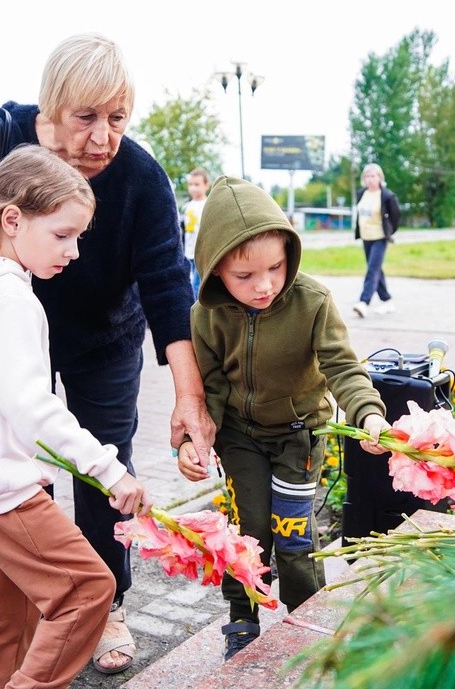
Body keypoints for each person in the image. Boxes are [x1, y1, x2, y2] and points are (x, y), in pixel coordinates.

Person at [0, 31, 214, 674]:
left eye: (117, 119)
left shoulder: (140, 175)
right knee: (6, 465)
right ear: (50, 106)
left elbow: (169, 285)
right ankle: (24, 606)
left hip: (103, 337)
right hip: (4, 326)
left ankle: (105, 601)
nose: (101, 138)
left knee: (102, 462)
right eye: (86, 117)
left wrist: (188, 396)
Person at [0, 144, 152, 689]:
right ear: (12, 220)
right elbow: (33, 408)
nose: (75, 252)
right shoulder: (9, 299)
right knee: (88, 590)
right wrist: (109, 469)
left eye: (79, 237)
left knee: (4, 627)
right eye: (62, 235)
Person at [175, 176, 389, 661]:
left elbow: (342, 367)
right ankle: (242, 620)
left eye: (275, 267)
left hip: (298, 437)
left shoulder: (312, 302)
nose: (265, 285)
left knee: (293, 533)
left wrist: (370, 414)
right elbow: (205, 392)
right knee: (245, 533)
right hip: (240, 439)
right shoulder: (205, 316)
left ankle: (305, 614)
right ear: (214, 272)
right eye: (244, 276)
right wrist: (190, 444)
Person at [352, 162, 400, 318]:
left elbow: (396, 217)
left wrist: (389, 232)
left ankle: (363, 302)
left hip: (380, 238)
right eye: (367, 176)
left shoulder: (387, 196)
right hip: (366, 238)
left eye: (373, 176)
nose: (370, 179)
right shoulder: (362, 194)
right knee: (376, 269)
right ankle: (387, 300)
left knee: (372, 269)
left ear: (380, 177)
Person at [183, 167, 210, 296]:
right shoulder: (188, 205)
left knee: (197, 284)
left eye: (197, 184)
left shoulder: (208, 204)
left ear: (206, 185)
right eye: (190, 184)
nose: (193, 188)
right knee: (189, 282)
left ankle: (196, 312)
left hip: (202, 252)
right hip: (189, 251)